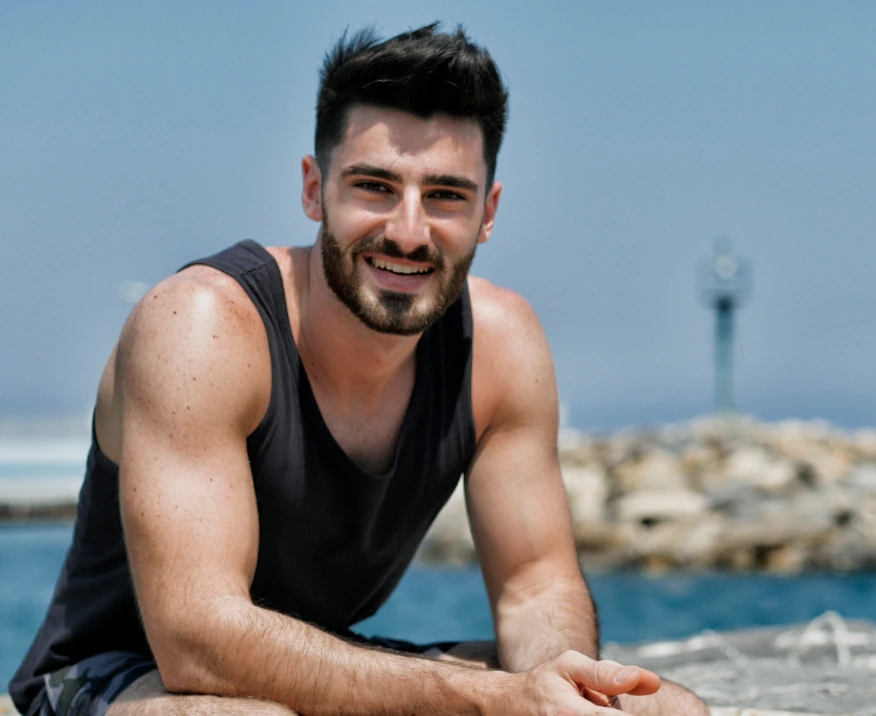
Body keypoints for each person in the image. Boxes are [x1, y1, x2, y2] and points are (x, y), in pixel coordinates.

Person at [11, 23, 709, 716]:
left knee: (659, 706)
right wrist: (494, 701)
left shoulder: (500, 344)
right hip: (121, 672)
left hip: (318, 657)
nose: (408, 231)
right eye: (375, 186)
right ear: (314, 191)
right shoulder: (201, 327)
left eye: (445, 196)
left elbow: (534, 587)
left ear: (488, 213)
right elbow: (198, 641)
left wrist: (563, 691)